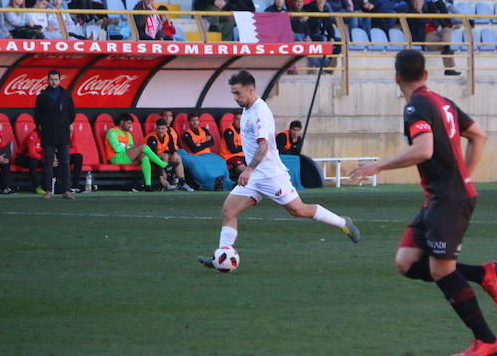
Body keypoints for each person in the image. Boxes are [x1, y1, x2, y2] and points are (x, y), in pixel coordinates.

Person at [348, 50, 497, 356]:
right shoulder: (441, 101)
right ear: (426, 74)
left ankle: (487, 340)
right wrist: (463, 177)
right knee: (406, 262)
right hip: (442, 196)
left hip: (448, 198)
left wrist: (378, 166)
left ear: (396, 78)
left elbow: (423, 149)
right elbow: (479, 135)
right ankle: (482, 272)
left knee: (440, 270)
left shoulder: (416, 106)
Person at [199, 70, 360, 269]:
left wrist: (248, 170)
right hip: (255, 176)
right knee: (228, 211)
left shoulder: (260, 112)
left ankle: (342, 223)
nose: (234, 98)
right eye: (233, 93)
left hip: (270, 175)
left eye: (237, 93)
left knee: (298, 210)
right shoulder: (247, 108)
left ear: (251, 90)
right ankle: (223, 255)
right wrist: (251, 172)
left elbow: (263, 146)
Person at [34, 69, 76, 199]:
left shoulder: (66, 95)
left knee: (64, 162)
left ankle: (66, 190)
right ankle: (48, 191)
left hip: (63, 133)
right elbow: (37, 115)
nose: (53, 82)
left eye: (56, 79)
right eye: (51, 79)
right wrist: (43, 126)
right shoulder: (42, 96)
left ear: (59, 80)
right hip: (48, 133)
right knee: (48, 162)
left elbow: (72, 113)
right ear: (47, 80)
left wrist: (64, 123)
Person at [105, 111, 168, 191]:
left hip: (126, 158)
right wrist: (127, 147)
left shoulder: (128, 134)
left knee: (144, 155)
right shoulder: (113, 132)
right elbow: (116, 149)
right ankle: (164, 165)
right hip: (116, 158)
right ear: (121, 122)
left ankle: (147, 185)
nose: (130, 126)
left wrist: (124, 146)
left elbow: (131, 147)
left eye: (131, 124)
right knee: (143, 147)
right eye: (128, 123)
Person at [144, 119, 192, 191]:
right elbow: (154, 156)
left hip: (158, 155)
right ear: (156, 128)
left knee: (177, 157)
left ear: (166, 128)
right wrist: (160, 176)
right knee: (165, 156)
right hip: (145, 155)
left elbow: (172, 147)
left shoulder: (168, 134)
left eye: (162, 128)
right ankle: (164, 182)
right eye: (158, 128)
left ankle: (182, 182)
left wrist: (175, 153)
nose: (160, 131)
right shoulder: (152, 137)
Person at [219, 111, 247, 183]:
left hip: (242, 155)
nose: (239, 121)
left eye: (241, 119)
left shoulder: (244, 131)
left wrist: (241, 147)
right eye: (237, 119)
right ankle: (249, 182)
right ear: (234, 120)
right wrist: (244, 147)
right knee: (242, 168)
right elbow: (233, 149)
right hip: (230, 157)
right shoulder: (229, 131)